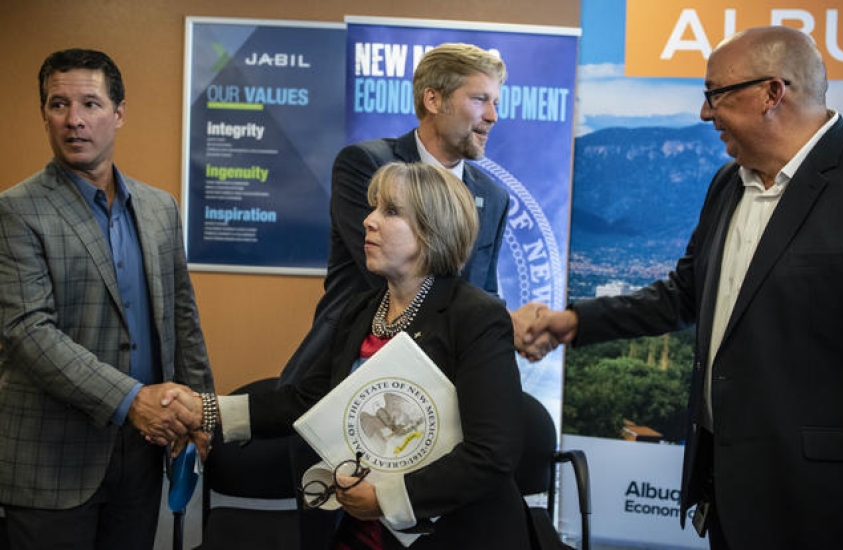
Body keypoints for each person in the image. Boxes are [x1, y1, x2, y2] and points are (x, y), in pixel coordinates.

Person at [520, 26, 843, 549]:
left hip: (820, 501)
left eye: (715, 94)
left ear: (772, 93)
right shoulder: (727, 184)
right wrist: (576, 321)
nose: (704, 112)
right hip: (727, 490)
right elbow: (685, 295)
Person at [170, 162, 531, 549]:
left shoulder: (476, 316)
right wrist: (206, 410)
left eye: (390, 211)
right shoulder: (361, 310)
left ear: (432, 229)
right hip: (351, 533)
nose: (368, 221)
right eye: (373, 208)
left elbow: (492, 452)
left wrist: (386, 499)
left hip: (449, 534)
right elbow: (307, 400)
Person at [278, 42, 513, 549]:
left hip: (441, 436)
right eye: (481, 100)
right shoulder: (369, 164)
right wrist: (213, 412)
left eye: (496, 101)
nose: (493, 115)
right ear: (433, 98)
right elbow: (394, 281)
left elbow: (477, 295)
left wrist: (502, 332)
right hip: (340, 393)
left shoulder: (493, 197)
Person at [0, 48, 214, 550]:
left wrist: (202, 411)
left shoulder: (160, 207)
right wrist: (129, 399)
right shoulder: (16, 211)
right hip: (52, 460)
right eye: (58, 104)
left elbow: (182, 317)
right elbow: (29, 332)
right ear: (44, 114)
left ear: (119, 113)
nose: (74, 120)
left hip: (142, 452)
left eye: (91, 104)